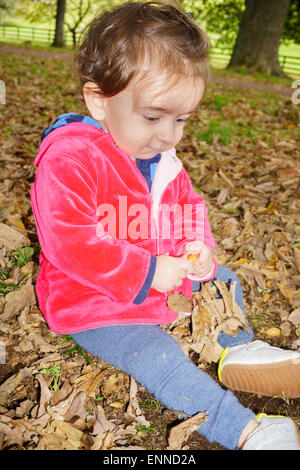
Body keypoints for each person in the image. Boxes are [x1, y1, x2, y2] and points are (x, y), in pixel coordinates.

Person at [30, 1, 300, 450]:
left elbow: (190, 205)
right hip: (94, 304)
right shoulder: (71, 159)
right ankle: (244, 430)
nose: (170, 135)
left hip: (162, 281)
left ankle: (239, 346)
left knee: (223, 280)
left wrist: (197, 245)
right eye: (154, 117)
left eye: (182, 119)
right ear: (99, 99)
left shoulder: (162, 159)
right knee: (159, 358)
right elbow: (71, 243)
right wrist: (149, 272)